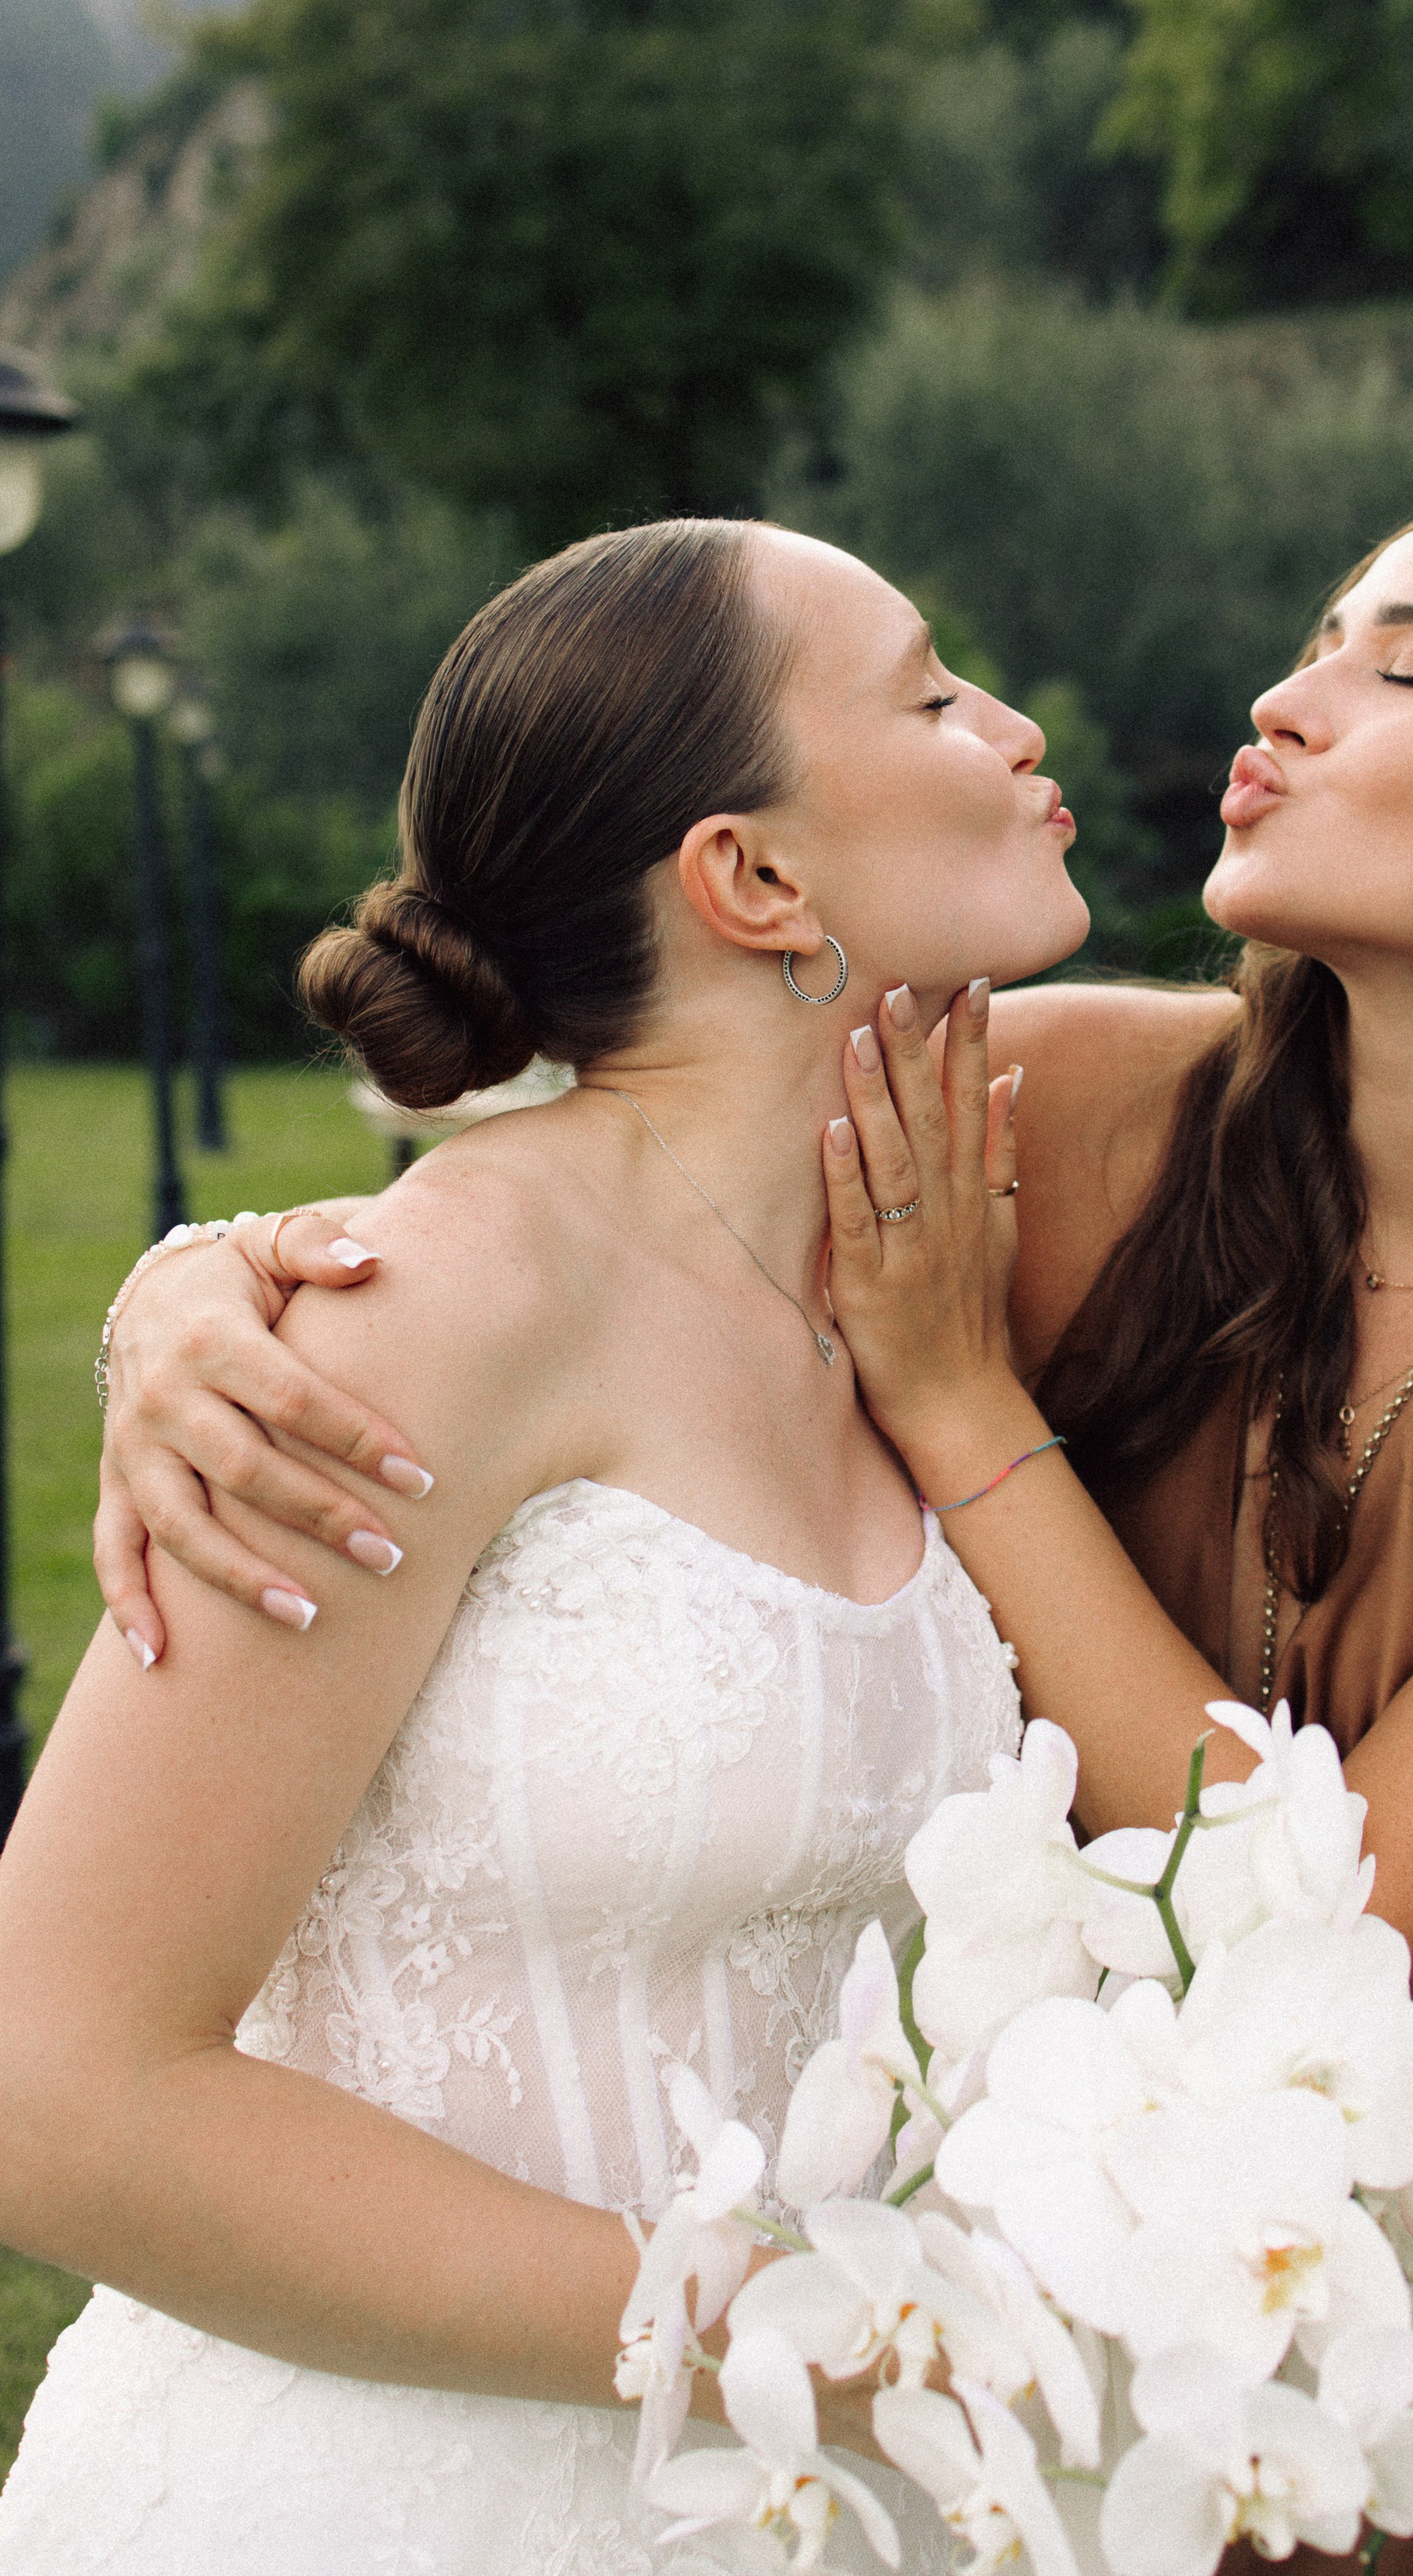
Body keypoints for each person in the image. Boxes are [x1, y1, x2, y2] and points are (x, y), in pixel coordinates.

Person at [90, 479, 1413, 2576]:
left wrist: (970, 1408)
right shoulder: (1072, 1108)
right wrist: (204, 1294)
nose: (1288, 699)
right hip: (1070, 2306)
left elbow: (1326, 1934)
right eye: (1321, 635)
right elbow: (620, 1178)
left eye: (1403, 667)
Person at [0, 516, 1095, 2571]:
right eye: (936, 691)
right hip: (372, 2501)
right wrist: (777, 2319)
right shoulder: (425, 1315)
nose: (1018, 731)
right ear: (754, 878)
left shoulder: (921, 1244)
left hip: (801, 2500)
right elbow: (52, 2090)